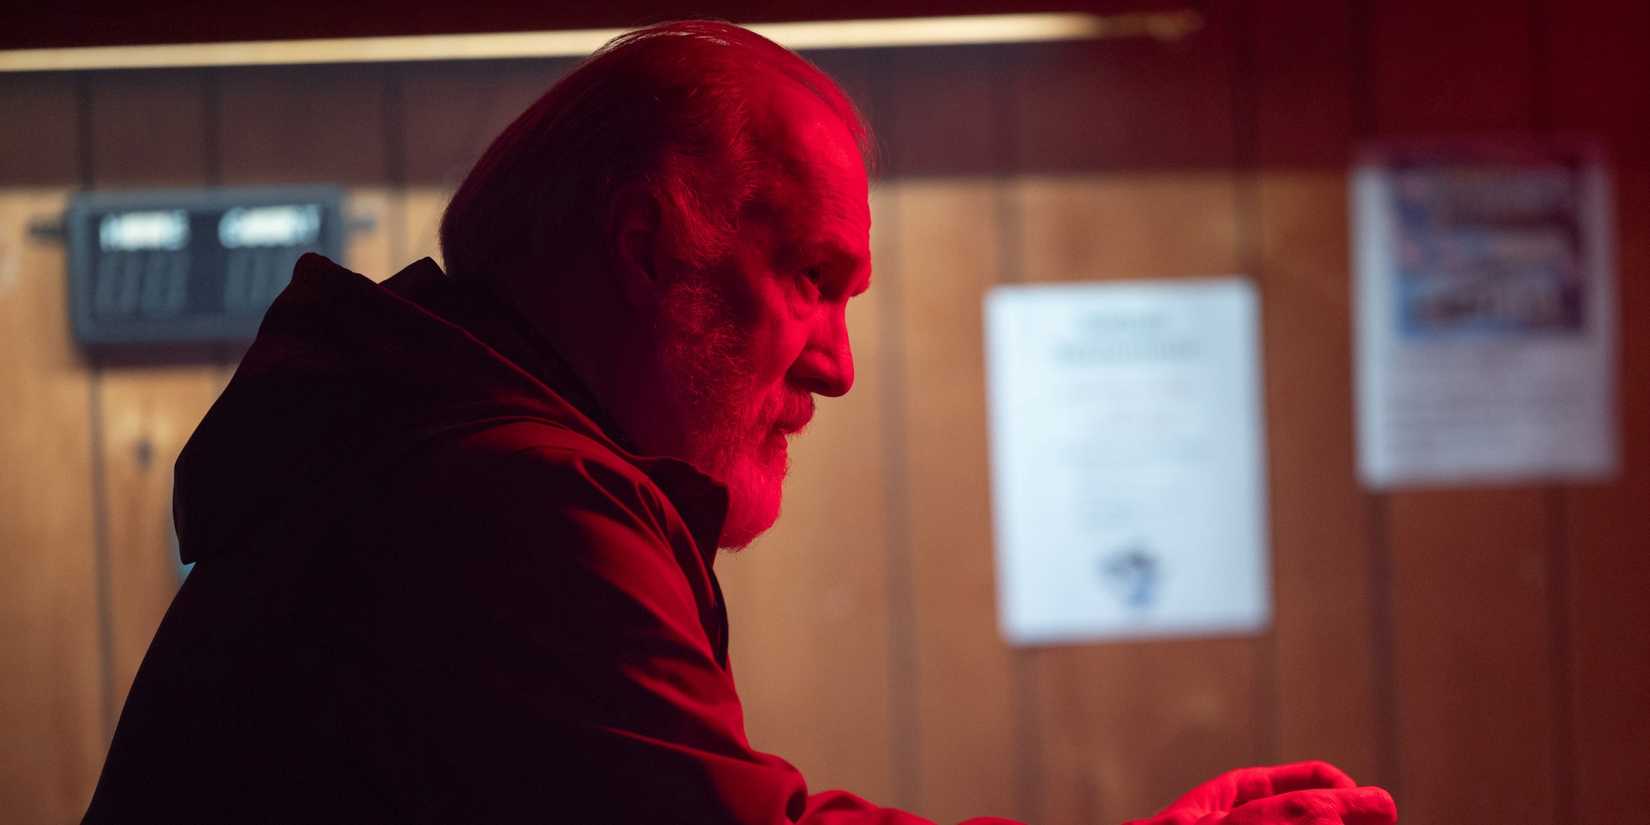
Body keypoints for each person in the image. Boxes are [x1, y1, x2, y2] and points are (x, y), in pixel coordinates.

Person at [82, 21, 1396, 825]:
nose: (835, 367)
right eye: (812, 280)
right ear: (649, 246)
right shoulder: (505, 500)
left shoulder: (436, 456)